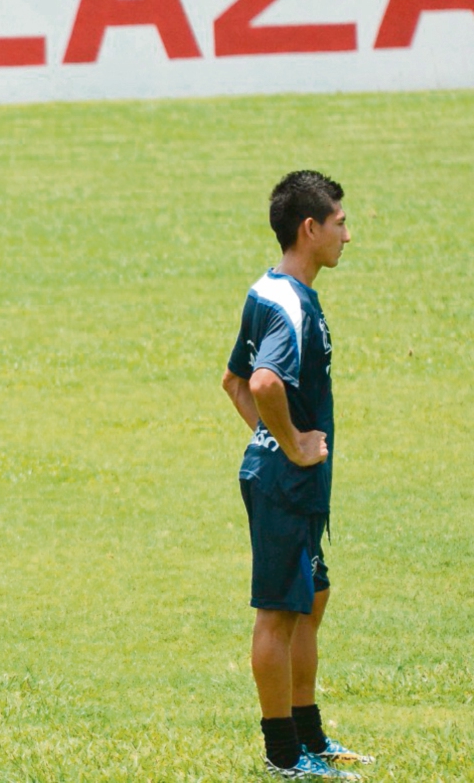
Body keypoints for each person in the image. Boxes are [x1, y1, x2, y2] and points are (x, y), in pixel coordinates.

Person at [222, 171, 373, 779]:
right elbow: (261, 382)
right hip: (284, 481)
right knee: (279, 612)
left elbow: (232, 380)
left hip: (285, 477)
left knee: (311, 597)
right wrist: (291, 444)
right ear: (309, 228)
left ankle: (309, 734)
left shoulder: (270, 290)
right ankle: (284, 755)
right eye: (340, 222)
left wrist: (271, 440)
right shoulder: (290, 305)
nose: (347, 235)